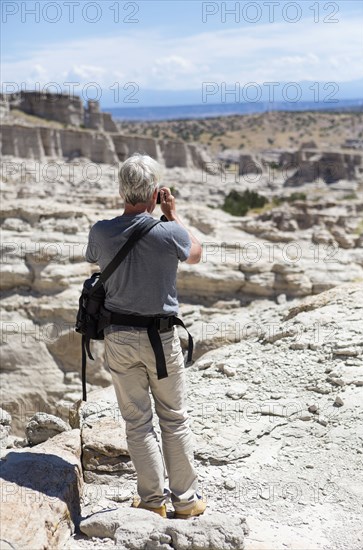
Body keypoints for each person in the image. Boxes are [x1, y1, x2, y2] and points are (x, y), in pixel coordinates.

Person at [85, 153, 206, 519]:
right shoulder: (169, 232)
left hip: (120, 337)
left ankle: (152, 503)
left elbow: (94, 259)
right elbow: (196, 253)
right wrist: (172, 214)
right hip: (162, 339)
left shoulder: (101, 231)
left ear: (121, 190)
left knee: (137, 422)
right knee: (174, 418)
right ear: (156, 192)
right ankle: (186, 502)